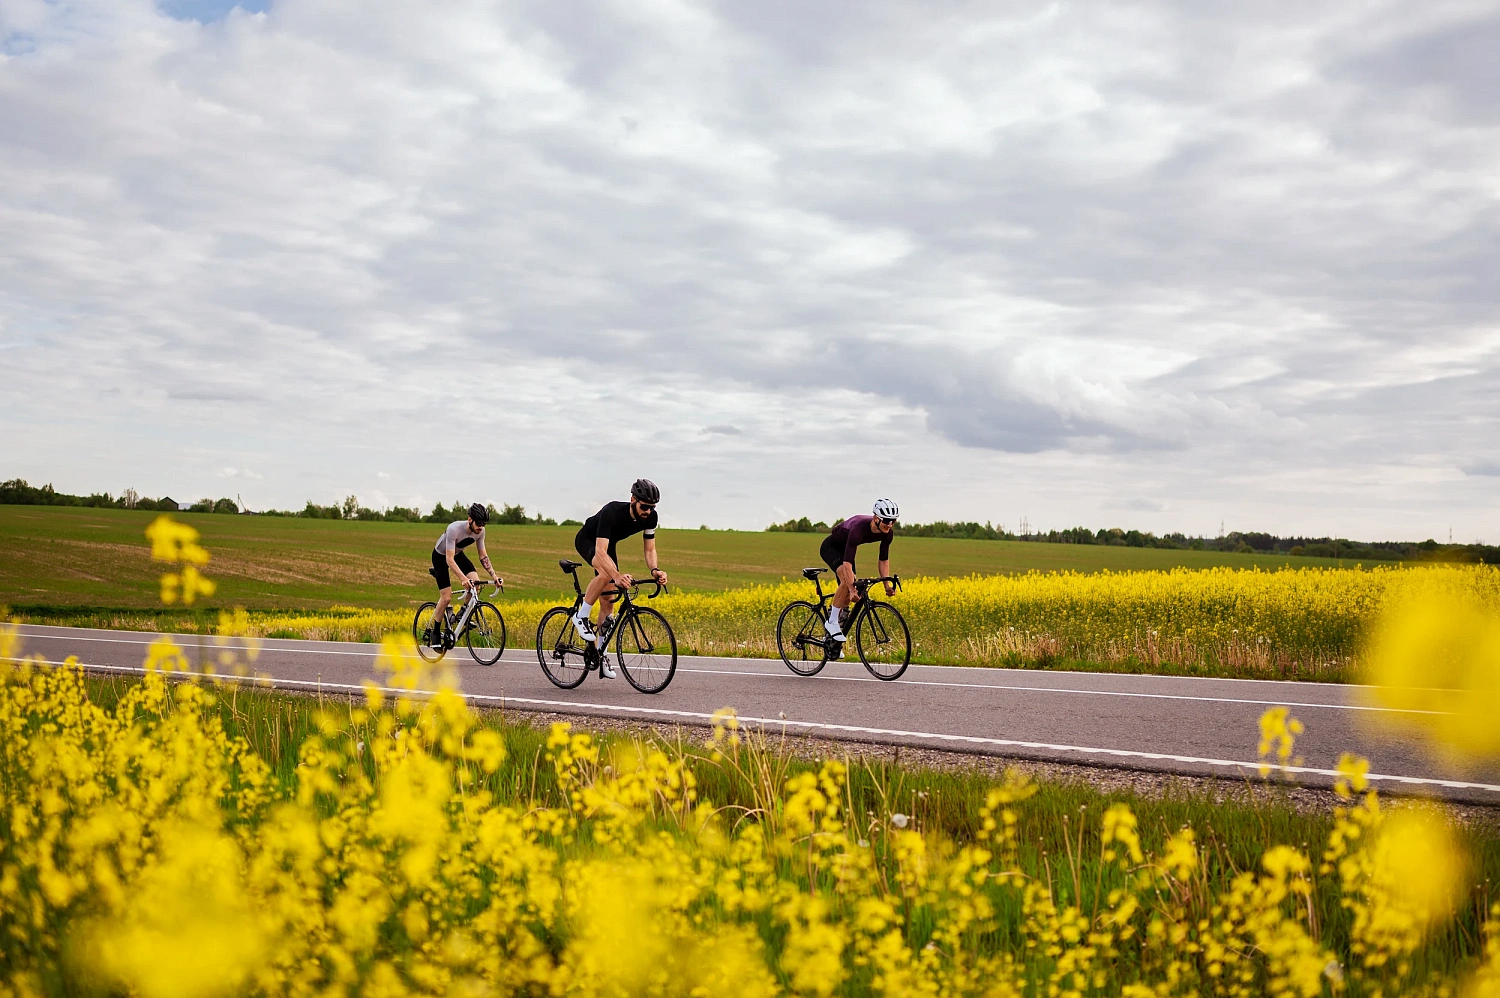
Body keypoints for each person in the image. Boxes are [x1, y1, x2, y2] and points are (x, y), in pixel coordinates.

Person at [571, 479, 669, 678]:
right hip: (589, 540)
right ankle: (581, 616)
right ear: (633, 499)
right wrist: (616, 575)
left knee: (608, 603)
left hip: (609, 544)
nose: (648, 511)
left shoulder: (651, 518)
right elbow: (600, 553)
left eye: (652, 507)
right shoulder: (612, 512)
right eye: (644, 506)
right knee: (607, 573)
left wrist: (655, 570)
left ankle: (601, 653)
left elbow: (650, 549)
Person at [820, 499, 899, 643]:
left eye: (893, 520)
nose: (890, 524)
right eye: (887, 520)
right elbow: (847, 564)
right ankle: (831, 622)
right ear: (876, 518)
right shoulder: (858, 530)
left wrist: (886, 585)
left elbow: (883, 561)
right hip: (831, 548)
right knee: (847, 580)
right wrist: (851, 588)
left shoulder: (887, 533)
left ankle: (831, 643)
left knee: (848, 600)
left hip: (846, 551)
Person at [428, 502, 502, 648]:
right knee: (447, 597)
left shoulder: (480, 532)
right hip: (441, 557)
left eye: (484, 523)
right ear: (470, 519)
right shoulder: (454, 529)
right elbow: (449, 560)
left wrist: (494, 576)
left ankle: (462, 613)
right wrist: (463, 579)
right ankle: (435, 632)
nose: (481, 526)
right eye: (479, 522)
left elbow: (483, 556)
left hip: (457, 554)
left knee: (476, 583)